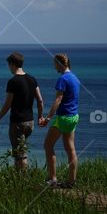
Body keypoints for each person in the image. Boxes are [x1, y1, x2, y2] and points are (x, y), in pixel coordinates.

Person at [0, 51, 44, 170]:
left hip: (17, 123)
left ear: (12, 64)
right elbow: (40, 101)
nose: (9, 68)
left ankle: (23, 179)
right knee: (20, 151)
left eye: (9, 65)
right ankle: (18, 176)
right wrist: (40, 117)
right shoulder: (32, 79)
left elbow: (7, 105)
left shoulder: (13, 81)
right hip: (30, 122)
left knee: (20, 155)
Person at [40, 53, 80, 188]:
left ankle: (52, 179)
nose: (54, 67)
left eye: (55, 64)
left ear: (59, 64)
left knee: (48, 145)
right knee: (71, 149)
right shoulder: (75, 78)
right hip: (73, 117)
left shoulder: (63, 79)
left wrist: (48, 118)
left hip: (63, 117)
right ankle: (71, 181)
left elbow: (58, 100)